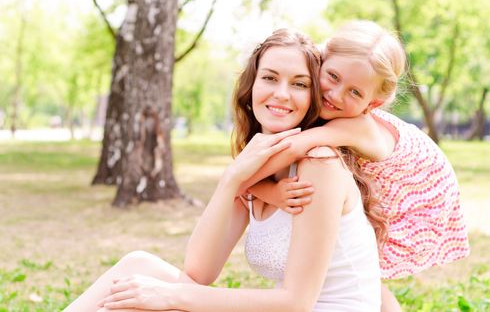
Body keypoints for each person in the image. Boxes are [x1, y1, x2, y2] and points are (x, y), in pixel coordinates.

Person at [63, 28, 384, 312]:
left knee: (160, 299)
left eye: (299, 84)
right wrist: (233, 179)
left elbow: (295, 303)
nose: (282, 94)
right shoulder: (256, 169)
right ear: (251, 86)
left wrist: (173, 297)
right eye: (270, 78)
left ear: (313, 95)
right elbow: (199, 271)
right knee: (137, 267)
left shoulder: (320, 163)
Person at [243, 20, 470, 311]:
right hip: (386, 169)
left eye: (354, 92)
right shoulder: (336, 113)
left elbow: (289, 148)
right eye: (333, 76)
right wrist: (265, 189)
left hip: (420, 185)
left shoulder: (355, 125)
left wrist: (242, 179)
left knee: (364, 263)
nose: (335, 95)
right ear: (321, 61)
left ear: (371, 105)